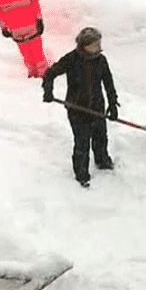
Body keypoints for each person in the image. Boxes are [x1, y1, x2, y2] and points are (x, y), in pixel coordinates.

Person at [42, 27, 119, 188]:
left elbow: (108, 83)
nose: (99, 46)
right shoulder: (72, 59)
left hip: (97, 107)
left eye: (99, 42)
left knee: (100, 137)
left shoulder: (101, 60)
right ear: (85, 45)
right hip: (77, 109)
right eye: (95, 43)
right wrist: (48, 90)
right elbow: (50, 73)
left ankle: (102, 161)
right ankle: (81, 173)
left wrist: (112, 104)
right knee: (82, 142)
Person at [0, 0, 48, 78]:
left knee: (38, 53)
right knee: (26, 54)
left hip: (32, 28)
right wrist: (3, 28)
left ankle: (44, 74)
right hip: (17, 32)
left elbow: (34, 2)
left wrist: (39, 19)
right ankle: (32, 74)